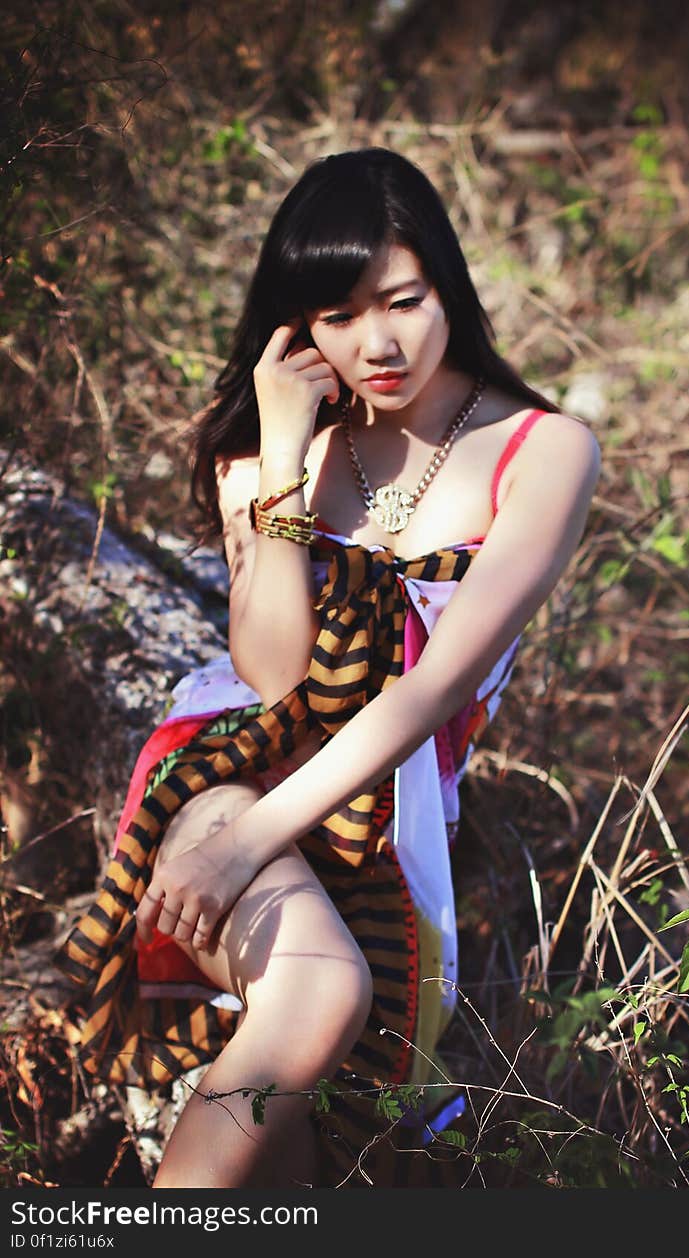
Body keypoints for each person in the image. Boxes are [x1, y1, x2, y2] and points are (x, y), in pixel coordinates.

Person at [56, 147, 600, 1189]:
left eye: (402, 300)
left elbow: (434, 686)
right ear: (297, 323)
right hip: (230, 780)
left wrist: (261, 839)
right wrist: (279, 449)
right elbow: (269, 672)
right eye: (338, 316)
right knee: (316, 992)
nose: (378, 342)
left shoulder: (546, 449)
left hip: (385, 822)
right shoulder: (276, 447)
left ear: (449, 285)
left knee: (320, 1163)